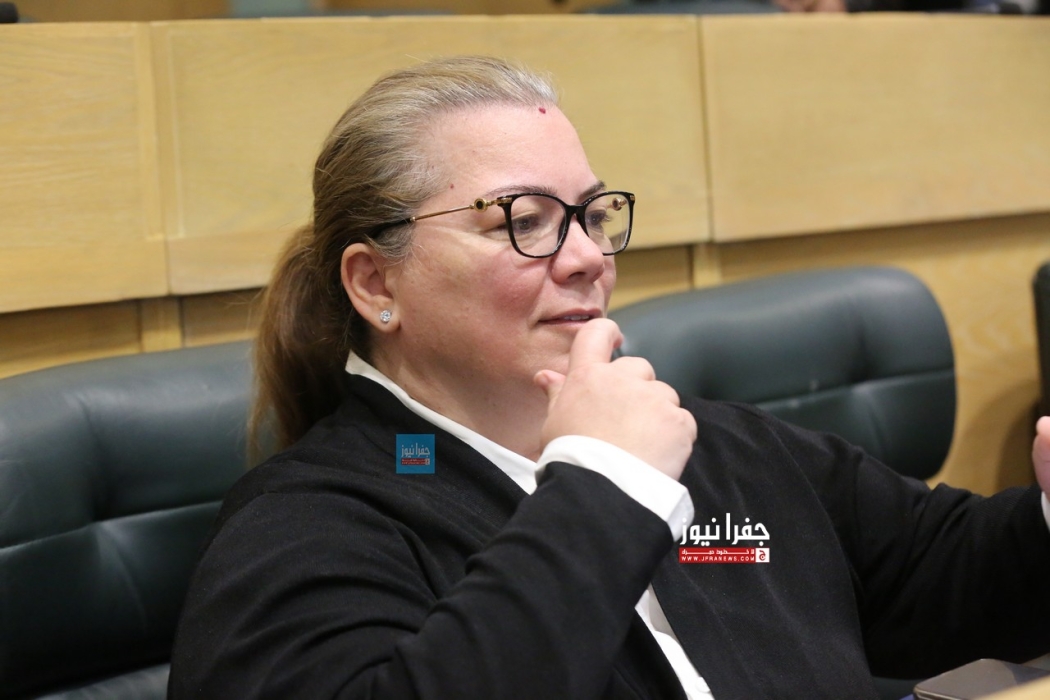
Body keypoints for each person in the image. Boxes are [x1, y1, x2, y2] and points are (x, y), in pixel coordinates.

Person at [168, 55, 1050, 699]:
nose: (589, 256)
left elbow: (947, 572)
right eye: (524, 221)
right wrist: (608, 488)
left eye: (593, 215)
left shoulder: (709, 443)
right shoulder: (302, 526)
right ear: (376, 284)